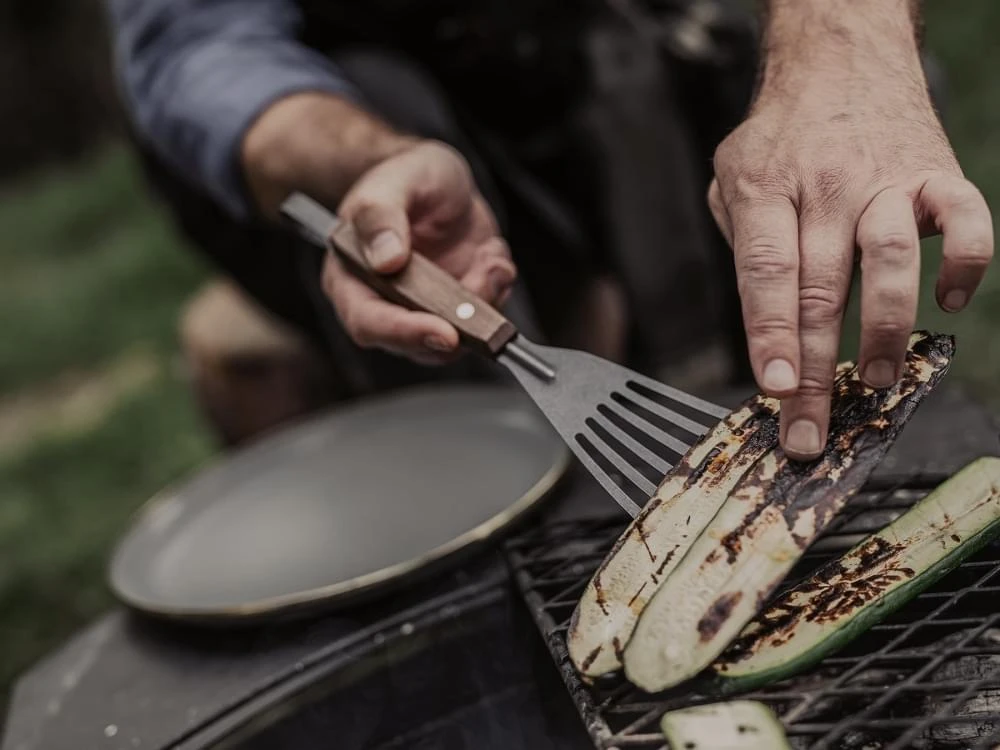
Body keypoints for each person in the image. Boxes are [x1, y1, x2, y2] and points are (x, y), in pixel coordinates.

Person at [107, 0, 992, 462]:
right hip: (355, 109)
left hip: (563, 49)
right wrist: (361, 158)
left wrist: (842, 59)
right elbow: (195, 46)